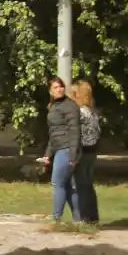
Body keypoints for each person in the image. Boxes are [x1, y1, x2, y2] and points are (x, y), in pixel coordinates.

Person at [37, 76, 82, 222]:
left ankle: (56, 220)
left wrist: (73, 156)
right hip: (59, 148)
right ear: (51, 91)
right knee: (67, 186)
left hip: (67, 148)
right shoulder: (54, 106)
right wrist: (48, 154)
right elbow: (53, 133)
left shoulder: (70, 106)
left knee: (57, 182)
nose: (59, 89)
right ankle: (78, 220)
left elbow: (75, 131)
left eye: (61, 86)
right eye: (55, 87)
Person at [70, 80, 101, 224]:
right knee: (88, 184)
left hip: (82, 151)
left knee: (80, 185)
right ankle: (93, 216)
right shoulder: (92, 112)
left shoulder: (80, 112)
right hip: (92, 151)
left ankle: (83, 217)